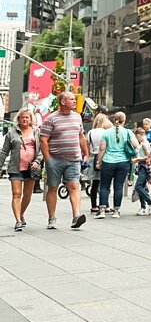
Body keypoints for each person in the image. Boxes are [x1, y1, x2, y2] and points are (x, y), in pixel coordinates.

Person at [37, 91, 87, 230]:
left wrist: (86, 152)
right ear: (63, 102)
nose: (75, 101)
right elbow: (43, 140)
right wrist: (48, 160)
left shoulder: (77, 117)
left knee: (74, 186)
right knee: (52, 188)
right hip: (55, 160)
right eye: (71, 99)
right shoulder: (51, 119)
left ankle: (76, 216)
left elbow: (81, 136)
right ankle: (52, 218)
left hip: (74, 160)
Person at [94, 112, 138, 218]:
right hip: (123, 162)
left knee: (104, 186)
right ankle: (116, 211)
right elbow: (136, 145)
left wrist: (99, 161)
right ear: (124, 120)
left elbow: (102, 148)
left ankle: (102, 210)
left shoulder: (106, 133)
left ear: (114, 119)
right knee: (118, 187)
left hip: (108, 162)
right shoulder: (128, 132)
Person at [3, 109, 39, 231]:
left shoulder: (36, 132)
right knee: (16, 194)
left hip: (31, 168)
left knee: (27, 195)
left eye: (27, 117)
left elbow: (41, 150)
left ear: (30, 119)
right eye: (22, 117)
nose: (24, 119)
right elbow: (4, 151)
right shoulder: (11, 133)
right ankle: (18, 220)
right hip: (15, 167)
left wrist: (37, 161)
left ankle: (21, 214)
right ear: (18, 119)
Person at [131, 127, 151, 214]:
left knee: (138, 186)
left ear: (138, 135)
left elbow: (148, 156)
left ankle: (150, 202)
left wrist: (137, 159)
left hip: (144, 167)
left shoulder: (144, 144)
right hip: (142, 167)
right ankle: (143, 207)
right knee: (142, 186)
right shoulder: (143, 143)